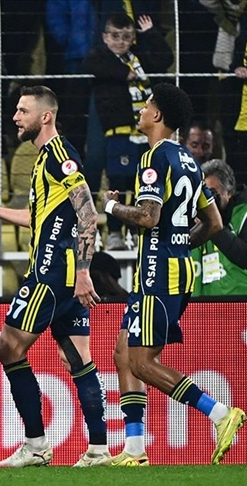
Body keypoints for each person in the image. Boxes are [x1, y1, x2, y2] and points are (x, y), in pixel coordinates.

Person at [0, 85, 109, 467]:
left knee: (8, 348)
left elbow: (88, 214)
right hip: (64, 274)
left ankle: (36, 444)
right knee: (77, 359)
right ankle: (98, 448)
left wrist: (83, 271)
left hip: (51, 273)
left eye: (23, 111)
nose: (15, 117)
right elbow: (38, 218)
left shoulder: (60, 156)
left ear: (45, 116)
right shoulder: (45, 159)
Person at [101, 83, 245, 466]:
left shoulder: (154, 159)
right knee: (122, 353)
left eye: (147, 104)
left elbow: (148, 217)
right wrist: (179, 245)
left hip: (157, 271)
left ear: (158, 115)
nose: (142, 109)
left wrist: (111, 208)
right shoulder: (188, 161)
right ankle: (134, 449)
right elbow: (214, 223)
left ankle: (220, 413)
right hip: (172, 267)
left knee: (142, 362)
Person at [82, 13, 173, 251]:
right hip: (119, 131)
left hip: (144, 133)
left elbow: (165, 58)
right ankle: (115, 232)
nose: (121, 42)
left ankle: (137, 231)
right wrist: (125, 74)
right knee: (118, 181)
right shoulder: (101, 57)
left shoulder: (139, 57)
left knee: (142, 183)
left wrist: (150, 34)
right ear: (105, 37)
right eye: (115, 36)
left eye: (126, 37)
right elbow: (89, 64)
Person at [192, 159, 247, 296]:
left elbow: (244, 257)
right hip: (207, 304)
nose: (207, 201)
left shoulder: (243, 214)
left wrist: (213, 223)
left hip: (241, 303)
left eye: (211, 193)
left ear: (229, 192)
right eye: (202, 194)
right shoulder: (194, 216)